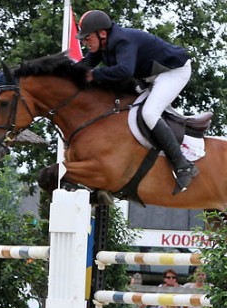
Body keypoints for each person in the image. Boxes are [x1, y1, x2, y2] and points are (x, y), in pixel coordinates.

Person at [76, 10, 198, 195]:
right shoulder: (102, 45)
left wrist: (94, 75)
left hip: (173, 72)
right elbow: (83, 66)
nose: (85, 42)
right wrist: (60, 74)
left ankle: (183, 165)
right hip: (150, 76)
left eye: (87, 38)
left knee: (149, 113)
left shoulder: (122, 40)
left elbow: (124, 70)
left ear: (102, 33)